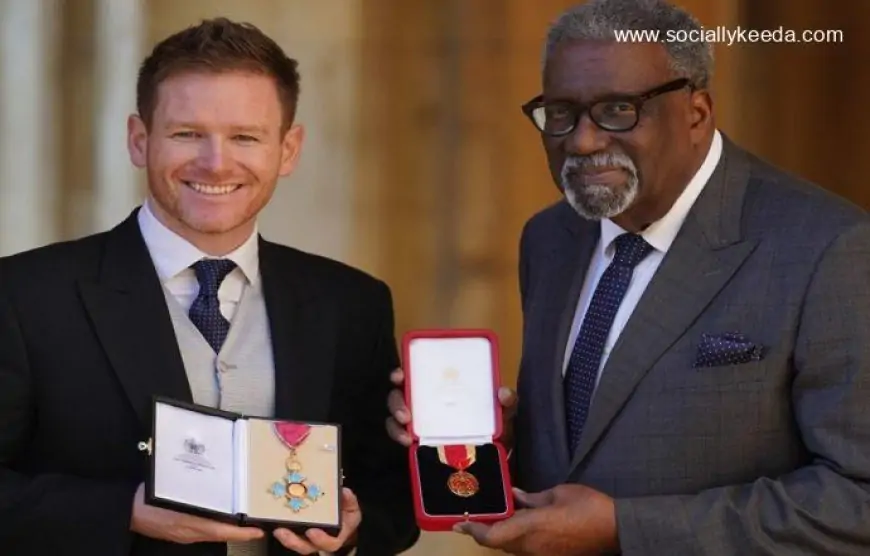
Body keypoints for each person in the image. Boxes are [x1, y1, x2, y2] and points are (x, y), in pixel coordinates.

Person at [387, 0, 870, 554]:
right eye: (561, 112)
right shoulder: (550, 239)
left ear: (697, 111)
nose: (583, 141)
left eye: (618, 110)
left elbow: (858, 499)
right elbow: (594, 440)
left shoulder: (828, 248)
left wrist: (624, 527)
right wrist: (487, 439)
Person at [0, 17, 419, 556]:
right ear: (138, 139)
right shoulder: (23, 296)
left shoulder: (351, 303)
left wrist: (356, 528)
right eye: (187, 134)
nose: (215, 162)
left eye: (245, 136)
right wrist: (123, 511)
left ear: (288, 150)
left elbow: (387, 494)